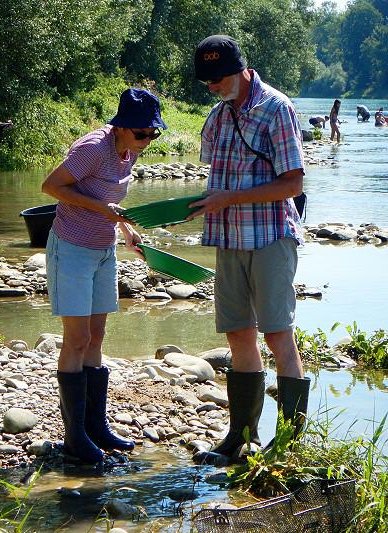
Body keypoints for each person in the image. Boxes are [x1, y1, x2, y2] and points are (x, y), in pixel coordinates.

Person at [189, 35, 310, 465]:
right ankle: (241, 439)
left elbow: (293, 184)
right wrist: (194, 206)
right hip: (228, 238)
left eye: (218, 78)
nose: (212, 87)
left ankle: (290, 444)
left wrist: (230, 198)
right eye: (206, 81)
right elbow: (216, 180)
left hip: (271, 236)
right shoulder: (217, 116)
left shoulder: (277, 108)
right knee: (238, 333)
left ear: (241, 69)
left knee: (277, 335)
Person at [42, 88, 167, 463]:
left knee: (96, 336)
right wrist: (102, 209)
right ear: (122, 126)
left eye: (153, 133)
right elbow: (50, 186)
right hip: (72, 248)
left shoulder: (129, 150)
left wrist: (126, 229)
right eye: (142, 132)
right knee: (77, 339)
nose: (148, 139)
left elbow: (111, 201)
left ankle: (95, 426)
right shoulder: (93, 148)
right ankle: (74, 438)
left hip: (103, 249)